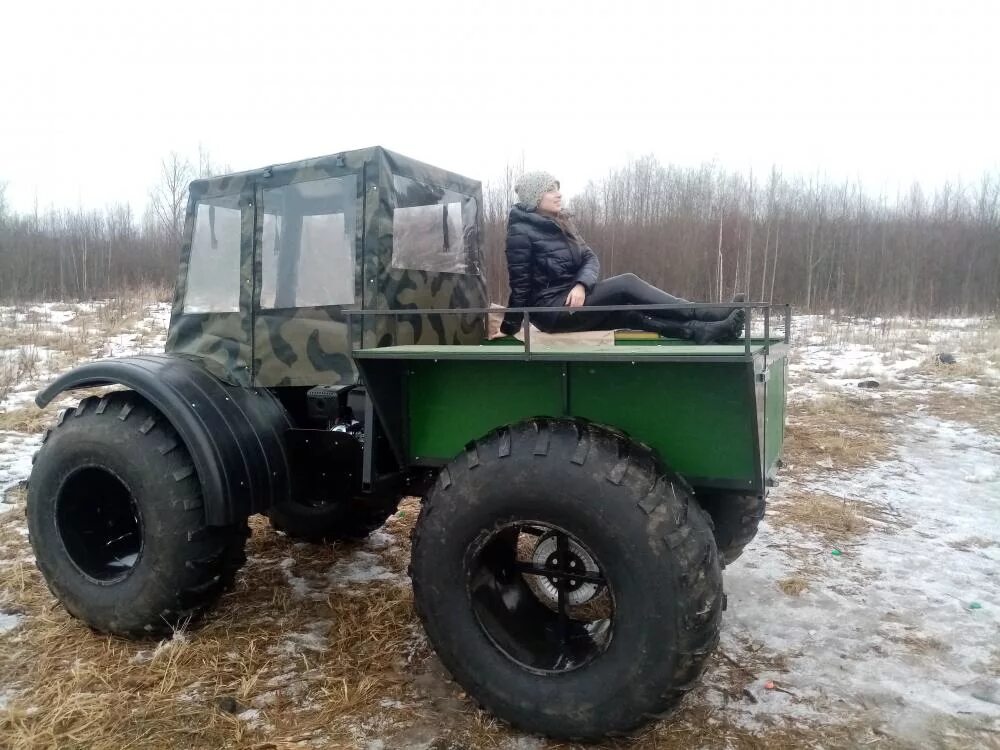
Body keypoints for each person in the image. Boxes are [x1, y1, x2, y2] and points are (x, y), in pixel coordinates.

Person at [498, 171, 745, 344]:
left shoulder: (562, 223)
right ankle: (703, 313)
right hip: (551, 311)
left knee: (628, 314)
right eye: (550, 190)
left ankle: (702, 331)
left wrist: (581, 284)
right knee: (626, 284)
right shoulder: (520, 233)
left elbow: (590, 258)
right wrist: (510, 327)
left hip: (572, 300)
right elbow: (520, 288)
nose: (558, 194)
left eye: (558, 188)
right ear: (533, 198)